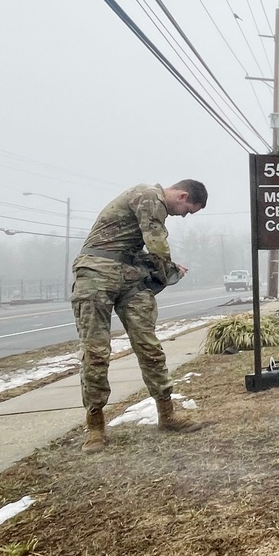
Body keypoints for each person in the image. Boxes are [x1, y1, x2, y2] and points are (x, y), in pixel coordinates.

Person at [72, 179, 207, 453]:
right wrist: (165, 267)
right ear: (182, 196)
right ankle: (95, 426)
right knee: (96, 352)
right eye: (187, 210)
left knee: (149, 347)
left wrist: (162, 266)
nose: (183, 216)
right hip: (96, 275)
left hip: (129, 277)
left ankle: (167, 414)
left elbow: (139, 246)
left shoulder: (151, 204)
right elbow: (156, 241)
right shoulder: (148, 196)